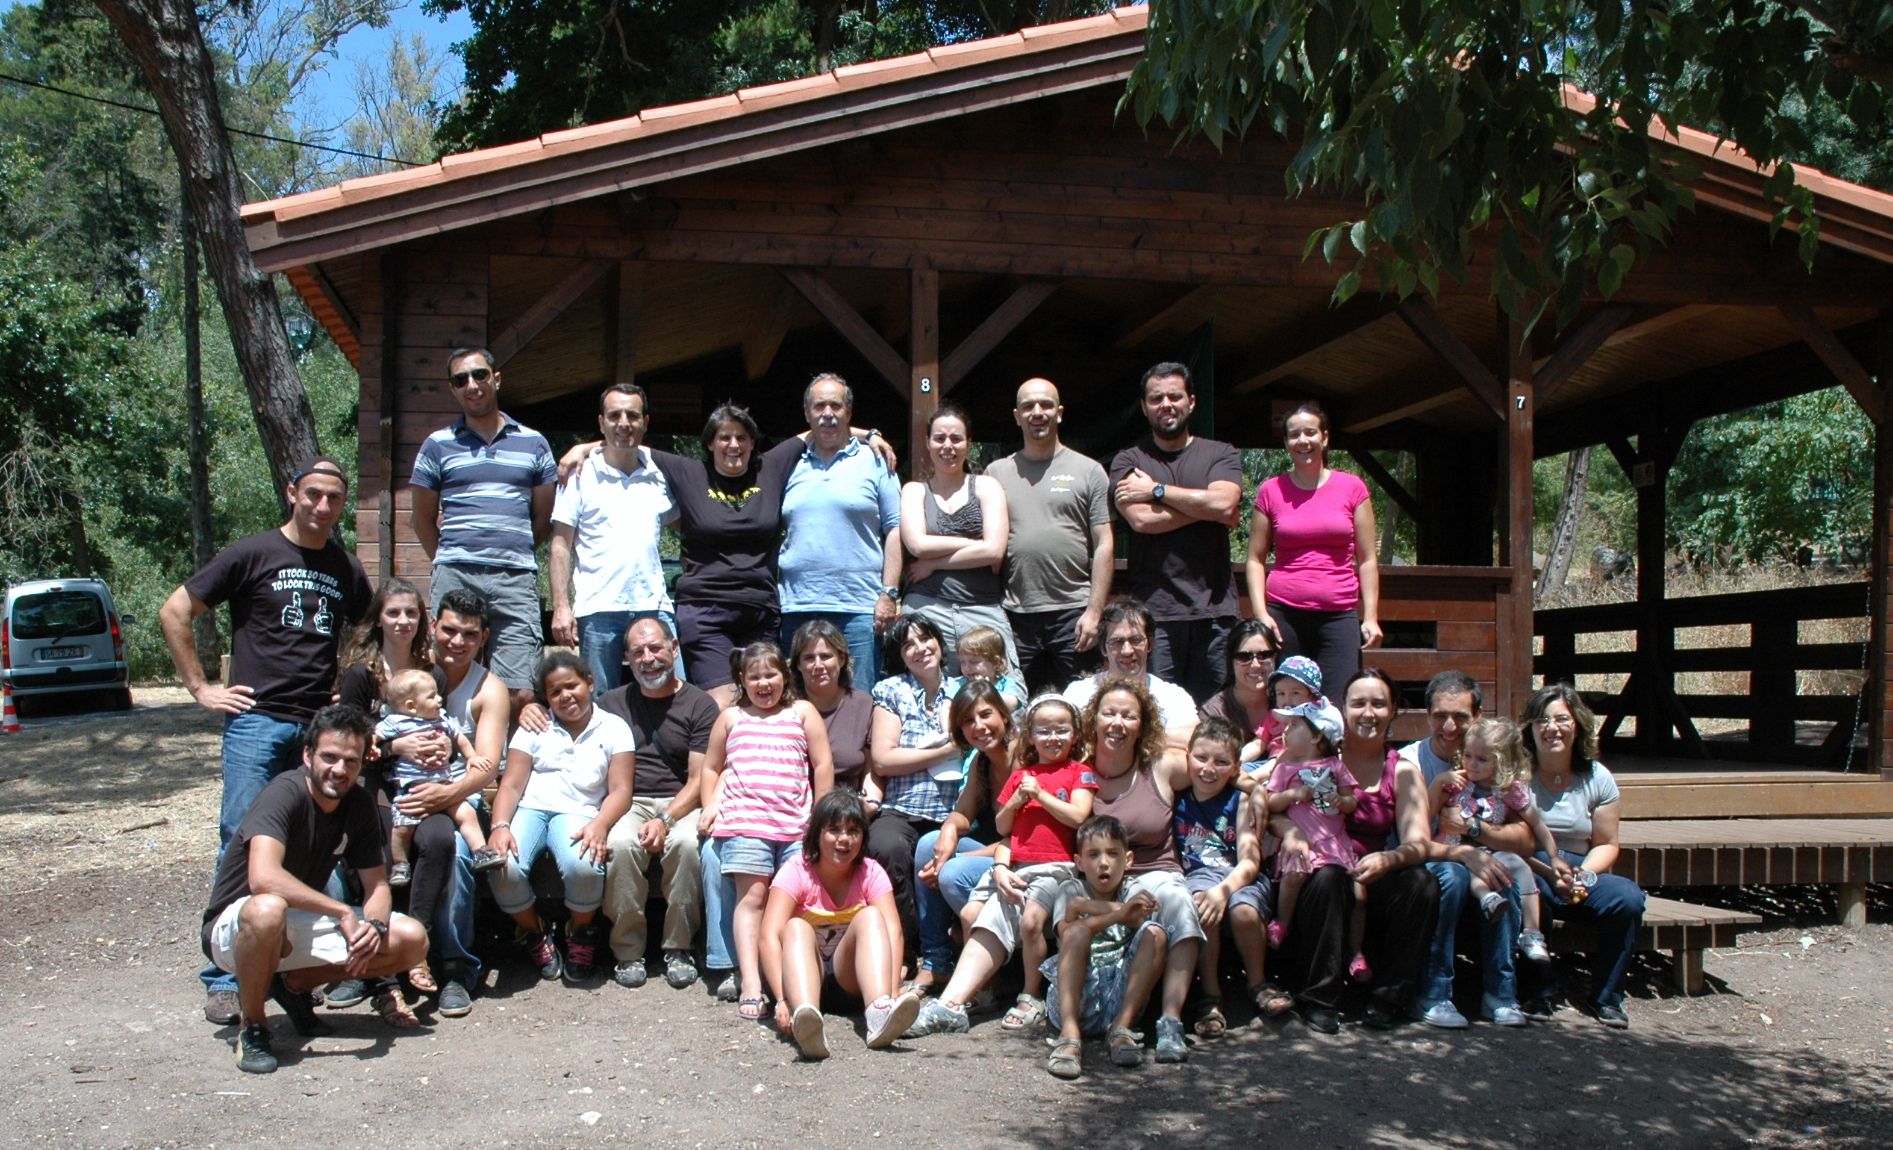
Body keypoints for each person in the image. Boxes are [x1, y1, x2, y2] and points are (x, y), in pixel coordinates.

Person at [159, 454, 373, 1026]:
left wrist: (345, 696)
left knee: (315, 843)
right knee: (241, 839)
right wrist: (200, 687)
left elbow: (361, 635)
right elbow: (176, 609)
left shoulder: (347, 568)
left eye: (334, 497)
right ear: (292, 493)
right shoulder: (251, 553)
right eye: (313, 495)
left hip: (316, 728)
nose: (323, 506)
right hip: (257, 722)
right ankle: (225, 976)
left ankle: (288, 971)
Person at [559, 405, 894, 696]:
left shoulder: (771, 467)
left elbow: (819, 427)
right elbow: (627, 442)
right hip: (706, 613)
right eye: (724, 437)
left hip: (760, 613)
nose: (733, 445)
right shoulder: (688, 472)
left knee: (761, 698)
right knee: (722, 704)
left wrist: (870, 435)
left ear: (752, 443)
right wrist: (588, 447)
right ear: (710, 443)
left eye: (741, 438)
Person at [200, 704, 428, 1074]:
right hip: (236, 930)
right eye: (329, 757)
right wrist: (340, 911)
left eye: (350, 761)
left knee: (411, 939)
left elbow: (377, 885)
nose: (339, 770)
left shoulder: (358, 804)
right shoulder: (284, 793)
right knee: (267, 908)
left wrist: (375, 927)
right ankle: (254, 1026)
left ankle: (293, 985)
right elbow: (263, 878)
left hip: (294, 923)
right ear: (308, 755)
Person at [905, 694, 1098, 1037]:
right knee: (983, 918)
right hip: (1016, 865)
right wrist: (1017, 806)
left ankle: (1030, 995)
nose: (1053, 737)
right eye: (1044, 731)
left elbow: (1079, 816)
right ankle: (952, 1004)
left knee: (1030, 920)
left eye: (1061, 730)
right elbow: (1005, 826)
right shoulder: (1019, 774)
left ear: (1075, 737)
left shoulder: (1078, 773)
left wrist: (1039, 795)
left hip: (1059, 869)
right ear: (1031, 736)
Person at [700, 622, 873, 1001]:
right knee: (753, 900)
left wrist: (820, 816)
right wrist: (711, 802)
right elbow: (711, 767)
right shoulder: (731, 718)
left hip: (796, 826)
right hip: (745, 824)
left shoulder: (802, 712)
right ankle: (750, 980)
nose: (764, 684)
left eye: (771, 675)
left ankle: (792, 974)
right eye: (754, 678)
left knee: (795, 902)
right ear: (741, 681)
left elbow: (822, 764)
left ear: (785, 676)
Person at [1271, 668, 1441, 1033]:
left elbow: (1418, 843)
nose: (1369, 713)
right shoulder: (1313, 752)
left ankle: (1390, 996)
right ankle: (1320, 997)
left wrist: (1388, 859)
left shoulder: (1402, 770)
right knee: (1329, 878)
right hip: (1319, 866)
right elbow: (1269, 806)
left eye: (1379, 704)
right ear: (1342, 710)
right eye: (1358, 703)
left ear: (1392, 710)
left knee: (1420, 883)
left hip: (1373, 870)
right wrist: (1288, 830)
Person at [408, 347, 557, 711]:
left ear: (496, 379)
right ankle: (446, 761)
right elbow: (421, 519)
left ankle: (503, 766)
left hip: (515, 577)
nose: (472, 385)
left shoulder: (534, 443)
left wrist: (513, 551)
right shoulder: (437, 445)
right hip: (456, 573)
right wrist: (450, 557)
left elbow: (543, 519)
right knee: (443, 678)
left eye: (480, 375)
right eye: (461, 380)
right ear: (453, 389)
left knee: (519, 690)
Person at [486, 652, 636, 985]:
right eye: (555, 692)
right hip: (532, 809)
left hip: (580, 812)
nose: (566, 696)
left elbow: (621, 790)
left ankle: (580, 933)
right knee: (502, 863)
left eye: (573, 686)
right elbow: (510, 784)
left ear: (590, 683)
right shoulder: (536, 725)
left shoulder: (613, 728)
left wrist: (600, 824)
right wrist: (500, 826)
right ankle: (533, 932)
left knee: (584, 863)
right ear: (547, 697)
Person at [1078, 676, 1206, 1063]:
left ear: (1143, 724)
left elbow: (1219, 770)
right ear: (1094, 719)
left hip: (1153, 870)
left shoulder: (1162, 766)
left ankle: (1170, 1020)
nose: (1117, 723)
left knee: (1178, 903)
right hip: (1093, 878)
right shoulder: (1077, 768)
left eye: (1128, 716)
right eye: (1109, 713)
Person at [1400, 670, 1529, 1029]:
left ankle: (1501, 995)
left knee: (1504, 869)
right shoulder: (1412, 762)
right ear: (1427, 716)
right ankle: (1434, 994)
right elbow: (1414, 837)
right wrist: (1464, 851)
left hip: (1481, 856)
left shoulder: (1494, 759)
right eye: (1440, 716)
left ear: (1479, 717)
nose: (1450, 727)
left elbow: (1526, 837)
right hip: (1431, 859)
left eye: (1460, 716)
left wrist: (1475, 830)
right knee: (1454, 877)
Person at [598, 617, 722, 991]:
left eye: (656, 648)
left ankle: (679, 947)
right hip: (628, 799)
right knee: (619, 845)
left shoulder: (700, 705)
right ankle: (627, 951)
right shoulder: (611, 703)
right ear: (626, 658)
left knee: (685, 845)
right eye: (638, 652)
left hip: (681, 799)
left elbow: (700, 779)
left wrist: (666, 819)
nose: (648, 658)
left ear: (674, 648)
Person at [1110, 362, 1245, 702]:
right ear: (1144, 407)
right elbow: (1140, 520)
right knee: (1156, 712)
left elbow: (1226, 504)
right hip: (1155, 613)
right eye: (1156, 399)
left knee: (1215, 713)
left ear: (1192, 402)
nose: (1166, 404)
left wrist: (1157, 490)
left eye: (1174, 396)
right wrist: (1208, 511)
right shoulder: (1129, 460)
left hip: (1215, 609)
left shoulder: (1221, 453)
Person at [1519, 683, 1648, 1029]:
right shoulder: (1518, 776)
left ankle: (1607, 999)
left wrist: (1584, 875)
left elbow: (1607, 842)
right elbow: (1510, 840)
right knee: (1531, 894)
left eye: (1561, 719)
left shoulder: (1598, 777)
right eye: (1542, 720)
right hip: (1531, 865)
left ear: (1577, 724)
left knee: (1628, 899)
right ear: (1530, 728)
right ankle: (1540, 992)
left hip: (1581, 866)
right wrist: (1549, 873)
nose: (1552, 728)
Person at [760, 791, 924, 1059]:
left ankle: (879, 1014)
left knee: (872, 916)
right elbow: (768, 936)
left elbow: (893, 932)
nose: (844, 839)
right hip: (800, 974)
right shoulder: (796, 869)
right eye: (834, 830)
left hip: (849, 978)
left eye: (853, 831)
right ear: (817, 834)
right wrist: (781, 999)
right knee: (795, 927)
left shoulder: (871, 871)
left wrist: (892, 991)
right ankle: (806, 1022)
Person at [985, 378, 1114, 693]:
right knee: (1013, 709)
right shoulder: (996, 473)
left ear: (1059, 412)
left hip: (1073, 614)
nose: (1037, 412)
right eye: (1028, 406)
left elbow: (1104, 544)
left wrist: (1095, 612)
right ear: (1017, 416)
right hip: (1014, 613)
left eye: (1045, 405)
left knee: (1080, 706)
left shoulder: (1089, 471)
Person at [1245, 399, 1382, 696]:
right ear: (1285, 442)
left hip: (1339, 615)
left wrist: (1370, 616)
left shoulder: (1353, 487)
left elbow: (1368, 559)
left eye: (1310, 433)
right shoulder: (1271, 490)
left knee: (1337, 706)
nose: (1302, 441)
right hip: (1284, 615)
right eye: (1294, 435)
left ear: (1325, 437)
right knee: (1284, 701)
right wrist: (1260, 613)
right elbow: (1255, 559)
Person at [549, 383, 677, 691]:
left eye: (632, 415)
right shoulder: (579, 475)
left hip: (654, 604)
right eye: (615, 415)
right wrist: (561, 606)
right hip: (599, 608)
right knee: (601, 703)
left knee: (671, 695)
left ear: (645, 422)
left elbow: (689, 526)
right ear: (601, 422)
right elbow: (560, 544)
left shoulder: (658, 475)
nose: (624, 422)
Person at [777, 373, 902, 683]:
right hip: (796, 605)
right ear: (807, 414)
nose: (828, 414)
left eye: (836, 405)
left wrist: (888, 593)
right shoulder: (789, 463)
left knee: (858, 701)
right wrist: (869, 432)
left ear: (849, 411)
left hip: (858, 606)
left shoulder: (876, 461)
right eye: (819, 406)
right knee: (798, 704)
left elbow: (895, 530)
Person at [866, 614, 964, 966]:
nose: (920, 648)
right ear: (900, 654)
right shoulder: (892, 690)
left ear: (939, 641)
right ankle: (907, 945)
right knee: (886, 847)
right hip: (902, 807)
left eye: (926, 638)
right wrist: (946, 750)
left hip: (954, 809)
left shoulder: (964, 688)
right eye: (909, 644)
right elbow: (883, 759)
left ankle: (947, 947)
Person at [1039, 815, 1168, 1079]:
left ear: (1128, 860)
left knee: (1156, 933)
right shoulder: (1071, 887)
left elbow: (1139, 917)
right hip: (1078, 994)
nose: (1104, 863)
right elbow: (1067, 933)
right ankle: (1070, 1034)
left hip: (1119, 996)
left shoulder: (1134, 889)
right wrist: (1119, 914)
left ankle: (1121, 1028)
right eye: (1094, 855)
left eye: (1113, 854)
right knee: (1076, 932)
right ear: (1080, 862)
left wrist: (1084, 907)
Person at [1430, 717, 1563, 963]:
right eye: (1468, 756)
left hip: (1491, 851)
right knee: (1472, 870)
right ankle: (1487, 899)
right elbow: (1428, 812)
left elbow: (1536, 823)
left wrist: (1554, 856)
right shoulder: (1457, 784)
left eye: (1482, 759)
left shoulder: (1507, 789)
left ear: (1501, 762)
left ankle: (1532, 933)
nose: (1472, 764)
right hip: (1455, 849)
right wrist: (1439, 783)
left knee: (1520, 867)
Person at [1171, 717, 1272, 1038]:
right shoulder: (1179, 797)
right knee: (1202, 904)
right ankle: (1210, 995)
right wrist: (1213, 894)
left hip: (1238, 877)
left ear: (1236, 767)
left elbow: (1250, 861)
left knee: (1243, 912)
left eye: (1221, 762)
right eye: (1201, 758)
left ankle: (1258, 983)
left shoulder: (1239, 800)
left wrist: (1224, 890)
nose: (1208, 769)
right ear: (1187, 756)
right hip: (1199, 876)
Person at [911, 681, 1013, 991]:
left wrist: (954, 858)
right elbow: (962, 813)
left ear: (1005, 717)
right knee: (928, 845)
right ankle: (936, 960)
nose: (978, 726)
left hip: (1024, 858)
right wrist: (949, 831)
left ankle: (995, 964)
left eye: (985, 715)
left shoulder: (1024, 756)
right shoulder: (983, 761)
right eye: (968, 721)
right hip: (998, 853)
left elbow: (1024, 839)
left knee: (952, 872)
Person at [900, 404, 1015, 675]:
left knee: (1006, 694)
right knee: (928, 694)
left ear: (969, 443)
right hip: (926, 607)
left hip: (982, 608)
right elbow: (917, 544)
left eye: (956, 438)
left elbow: (996, 550)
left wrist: (934, 564)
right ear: (928, 443)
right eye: (939, 438)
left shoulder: (986, 486)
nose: (947, 446)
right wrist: (976, 544)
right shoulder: (914, 490)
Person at [374, 669, 500, 885]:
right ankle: (400, 864)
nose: (440, 698)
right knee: (401, 829)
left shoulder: (442, 718)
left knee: (467, 814)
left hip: (444, 784)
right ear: (412, 706)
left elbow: (458, 737)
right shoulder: (395, 722)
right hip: (411, 789)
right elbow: (375, 736)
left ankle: (481, 851)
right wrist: (375, 747)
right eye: (431, 696)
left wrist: (471, 756)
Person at [1262, 700, 1360, 961]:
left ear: (1317, 736)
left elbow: (1352, 800)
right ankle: (1282, 922)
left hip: (1332, 841)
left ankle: (1355, 951)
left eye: (1294, 725)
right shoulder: (1284, 768)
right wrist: (1293, 794)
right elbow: (1270, 803)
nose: (1285, 730)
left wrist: (1343, 802)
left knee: (1356, 892)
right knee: (1293, 876)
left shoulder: (1335, 766)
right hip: (1300, 843)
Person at [1063, 598, 1199, 752]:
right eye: (1117, 641)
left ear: (1150, 644)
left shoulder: (1173, 695)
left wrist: (1126, 735)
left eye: (1136, 640)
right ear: (1103, 649)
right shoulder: (1078, 692)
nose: (1127, 650)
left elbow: (1195, 740)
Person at [1199, 617, 1281, 767]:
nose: (1255, 665)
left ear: (1275, 658)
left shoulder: (1290, 700)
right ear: (1231, 661)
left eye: (1263, 655)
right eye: (1244, 657)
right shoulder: (1214, 713)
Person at [945, 625, 1029, 711]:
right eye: (963, 662)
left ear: (995, 662)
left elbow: (1012, 704)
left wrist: (986, 690)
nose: (967, 667)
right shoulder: (959, 684)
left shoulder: (1005, 683)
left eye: (974, 662)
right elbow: (946, 707)